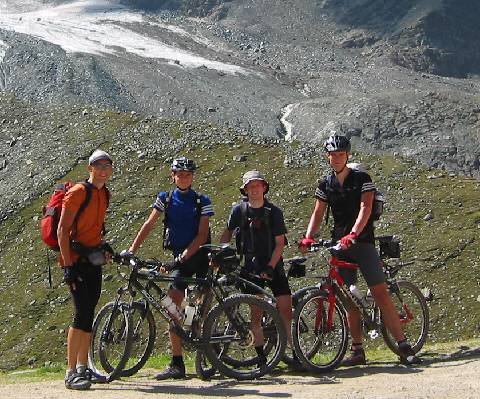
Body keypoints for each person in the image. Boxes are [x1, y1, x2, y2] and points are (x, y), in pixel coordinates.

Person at [299, 134, 421, 366]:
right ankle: (357, 350)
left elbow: (365, 208)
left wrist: (353, 234)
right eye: (333, 155)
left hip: (362, 242)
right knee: (348, 300)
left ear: (348, 155)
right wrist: (307, 238)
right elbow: (317, 213)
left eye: (340, 155)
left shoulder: (362, 178)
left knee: (380, 294)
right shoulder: (325, 184)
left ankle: (404, 345)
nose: (336, 158)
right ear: (328, 157)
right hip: (339, 244)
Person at [125, 156, 213, 380]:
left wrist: (181, 259)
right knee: (172, 309)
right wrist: (132, 249)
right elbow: (149, 223)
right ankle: (177, 363)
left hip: (200, 258)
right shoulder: (165, 198)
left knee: (196, 310)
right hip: (180, 260)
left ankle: (204, 354)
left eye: (187, 175)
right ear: (173, 176)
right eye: (179, 174)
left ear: (192, 177)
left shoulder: (202, 201)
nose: (183, 178)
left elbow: (202, 235)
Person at [220, 170, 293, 367]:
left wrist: (270, 266)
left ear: (264, 187)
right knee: (256, 313)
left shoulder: (274, 212)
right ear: (245, 190)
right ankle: (261, 358)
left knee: (286, 308)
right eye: (250, 186)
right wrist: (222, 253)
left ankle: (289, 352)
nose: (254, 190)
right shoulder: (238, 211)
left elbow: (280, 243)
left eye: (258, 185)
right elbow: (226, 233)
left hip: (273, 264)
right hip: (250, 266)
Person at [57, 149, 113, 390]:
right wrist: (68, 266)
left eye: (106, 165)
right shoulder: (79, 192)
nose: (102, 169)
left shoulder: (104, 194)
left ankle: (83, 367)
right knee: (81, 312)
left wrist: (103, 246)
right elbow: (62, 230)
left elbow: (94, 228)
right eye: (98, 165)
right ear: (90, 168)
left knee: (89, 312)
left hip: (93, 261)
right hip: (76, 262)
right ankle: (70, 372)